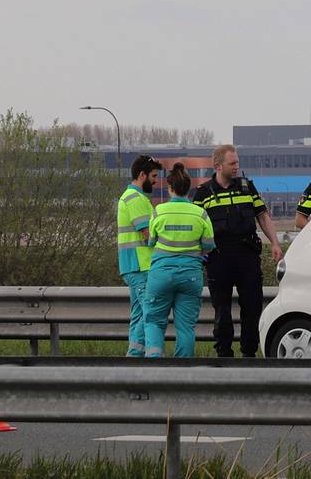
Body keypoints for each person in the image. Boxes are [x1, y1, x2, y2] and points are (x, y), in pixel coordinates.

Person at [192, 145, 283, 358]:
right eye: (232, 163)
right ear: (218, 166)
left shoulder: (246, 187)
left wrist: (276, 243)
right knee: (222, 311)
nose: (236, 167)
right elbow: (196, 227)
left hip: (247, 256)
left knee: (252, 308)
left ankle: (249, 354)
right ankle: (224, 355)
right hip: (218, 258)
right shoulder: (203, 193)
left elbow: (262, 216)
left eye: (237, 163)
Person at [144, 163, 214, 358]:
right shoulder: (200, 213)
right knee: (185, 327)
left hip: (161, 274)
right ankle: (182, 375)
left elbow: (151, 242)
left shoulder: (159, 211)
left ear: (170, 188)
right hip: (191, 275)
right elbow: (209, 245)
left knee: (154, 321)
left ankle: (154, 365)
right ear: (188, 188)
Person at [116, 155, 163, 357]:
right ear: (141, 175)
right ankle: (153, 359)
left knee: (138, 315)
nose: (155, 180)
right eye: (153, 176)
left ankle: (133, 357)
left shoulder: (133, 197)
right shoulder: (135, 198)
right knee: (150, 314)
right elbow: (148, 235)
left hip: (133, 265)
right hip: (140, 264)